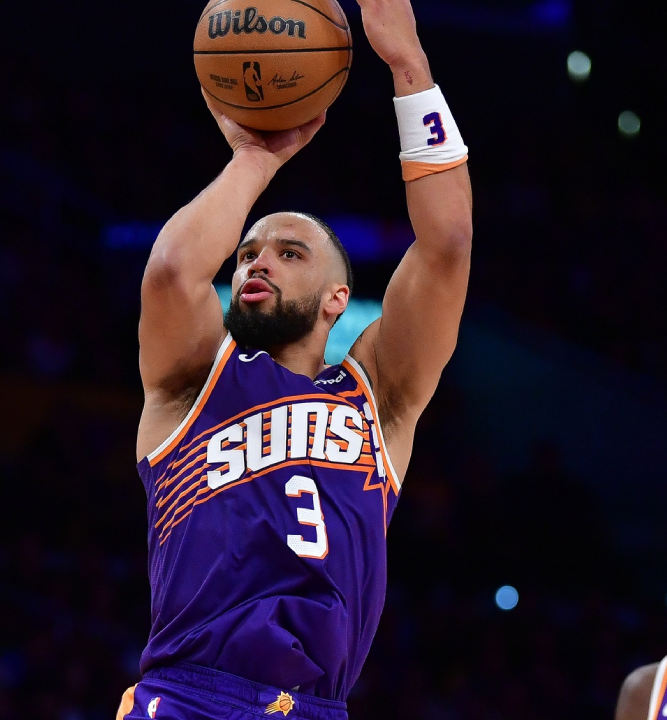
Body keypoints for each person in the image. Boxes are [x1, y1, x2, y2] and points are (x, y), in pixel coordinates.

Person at [121, 0, 473, 717]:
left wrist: (409, 65)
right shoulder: (193, 385)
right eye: (248, 252)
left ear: (339, 298)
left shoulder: (378, 399)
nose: (257, 262)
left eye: (289, 253)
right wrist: (255, 159)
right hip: (189, 696)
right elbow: (172, 273)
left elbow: (447, 247)